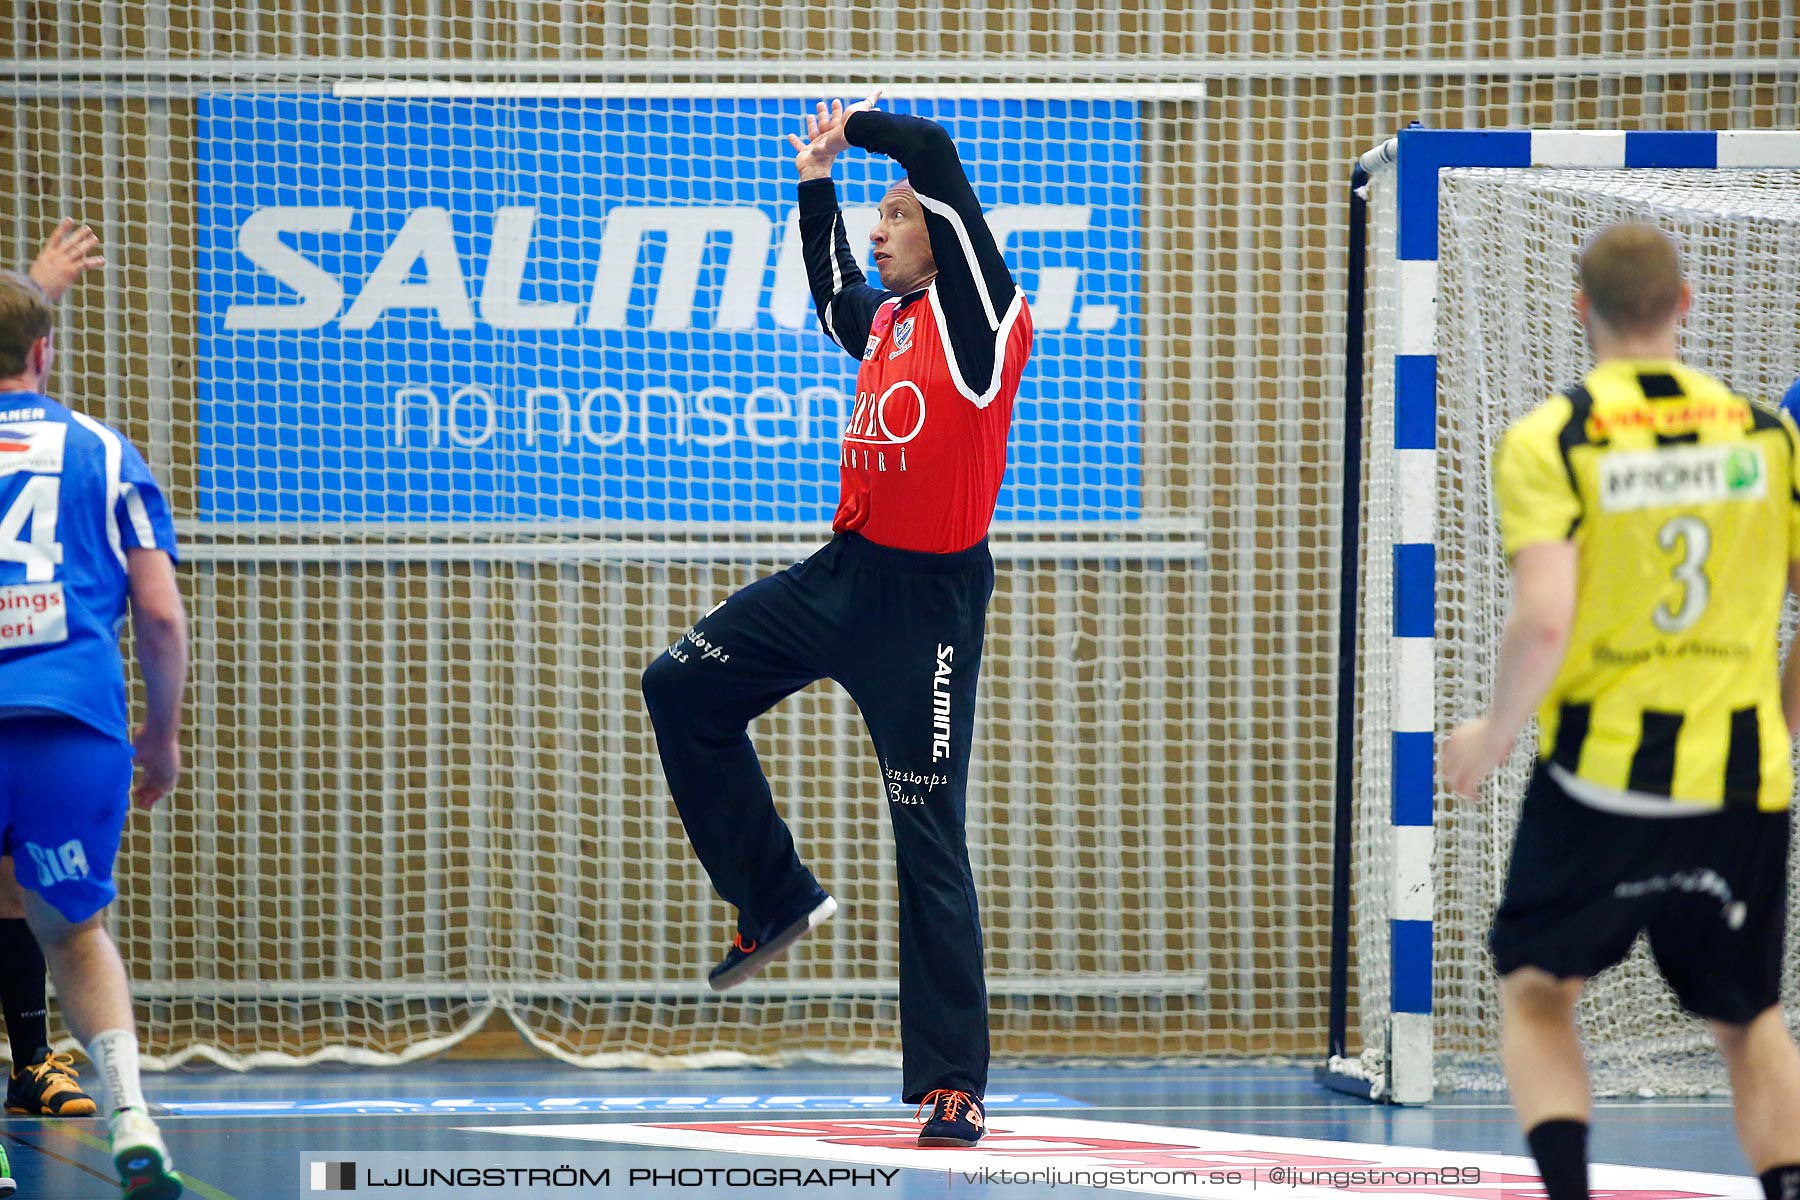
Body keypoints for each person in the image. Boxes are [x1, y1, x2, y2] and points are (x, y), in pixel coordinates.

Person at [640, 89, 1032, 1148]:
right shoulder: (892, 323)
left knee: (928, 836)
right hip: (841, 579)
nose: (880, 227)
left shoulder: (982, 323)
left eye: (896, 216)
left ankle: (953, 1084)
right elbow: (832, 298)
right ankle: (773, 897)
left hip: (929, 613)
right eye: (878, 215)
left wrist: (862, 124)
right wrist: (816, 181)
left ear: (941, 237)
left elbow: (936, 152)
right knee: (679, 684)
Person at [1443, 222, 1800, 1200]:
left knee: (1536, 991)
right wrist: (1781, 720)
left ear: (1579, 311)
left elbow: (1546, 620)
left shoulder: (1552, 439)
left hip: (1601, 781)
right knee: (1749, 1020)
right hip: (1740, 776)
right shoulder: (1770, 438)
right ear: (1684, 305)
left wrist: (1491, 735)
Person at [0, 253, 186, 1198]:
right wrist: (162, 732)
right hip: (71, 719)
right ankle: (132, 1119)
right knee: (73, 932)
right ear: (46, 353)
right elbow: (158, 615)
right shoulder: (105, 451)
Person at [0, 220, 110, 1125]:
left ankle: (33, 1060)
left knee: (23, 881)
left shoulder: (73, 445)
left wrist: (35, 299)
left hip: (34, 692)